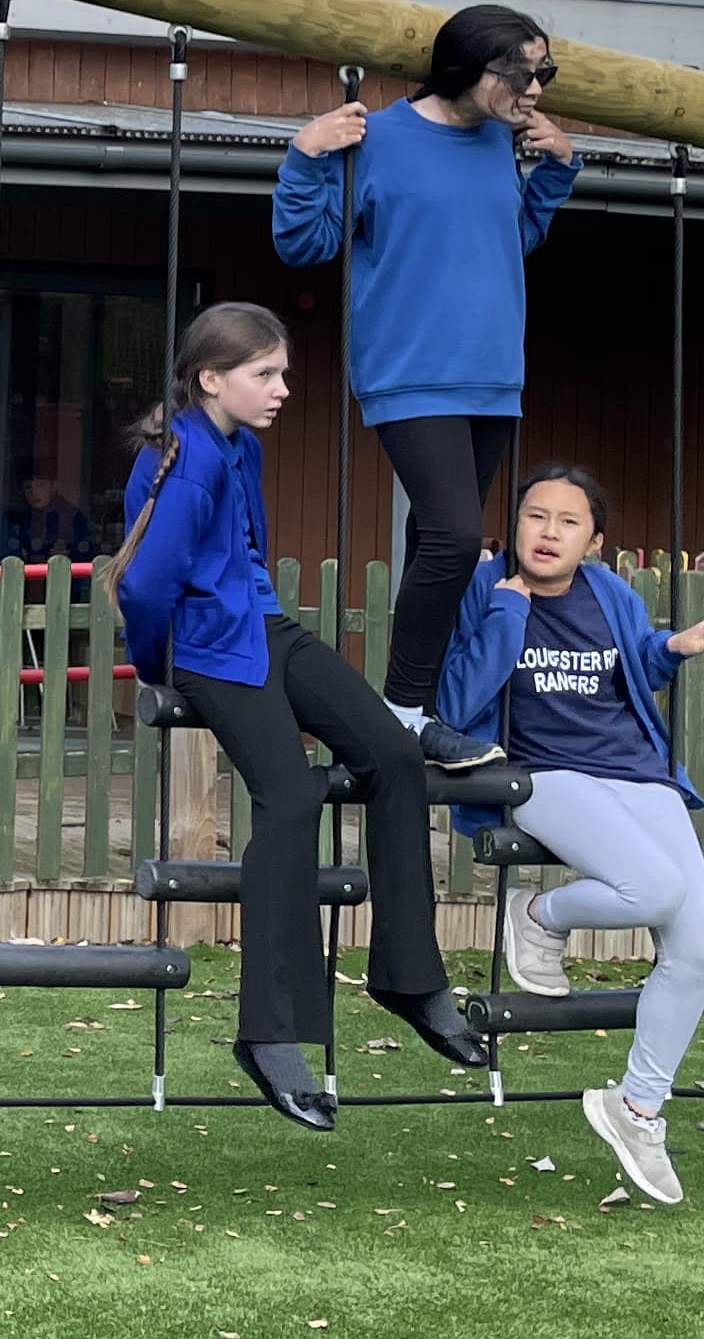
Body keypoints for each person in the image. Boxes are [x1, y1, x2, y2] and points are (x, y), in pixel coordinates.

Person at [111, 301, 491, 1129]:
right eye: (265, 374)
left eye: (282, 372)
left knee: (392, 754)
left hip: (264, 628)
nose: (283, 388)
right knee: (290, 796)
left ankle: (408, 979)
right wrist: (156, 666)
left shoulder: (236, 443)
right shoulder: (185, 457)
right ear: (212, 379)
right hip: (210, 648)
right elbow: (142, 583)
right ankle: (269, 1034)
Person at [270, 5, 579, 768]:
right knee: (452, 537)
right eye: (518, 72)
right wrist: (307, 155)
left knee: (434, 547)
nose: (533, 88)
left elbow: (508, 240)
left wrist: (557, 174)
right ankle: (405, 712)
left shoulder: (500, 148)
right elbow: (303, 242)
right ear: (463, 68)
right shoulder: (381, 140)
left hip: (494, 380)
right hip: (412, 374)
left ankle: (422, 706)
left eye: (544, 71)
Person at [434, 462, 704, 1209]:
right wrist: (507, 616)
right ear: (515, 527)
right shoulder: (488, 590)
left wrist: (671, 647)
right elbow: (457, 698)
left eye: (567, 522)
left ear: (594, 540)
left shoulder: (610, 592)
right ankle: (538, 916)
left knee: (700, 946)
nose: (548, 533)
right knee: (655, 888)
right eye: (535, 517)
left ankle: (636, 1109)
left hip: (637, 772)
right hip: (545, 774)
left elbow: (629, 665)